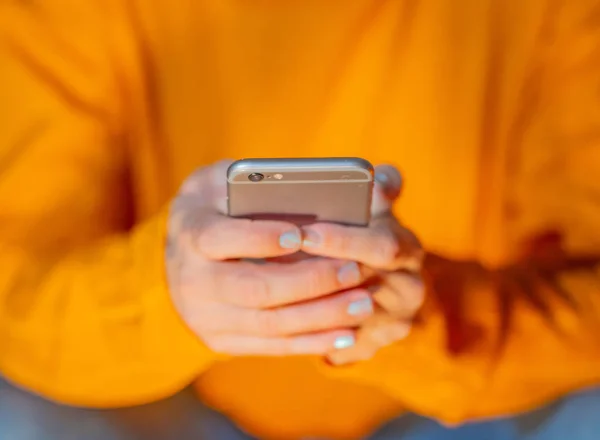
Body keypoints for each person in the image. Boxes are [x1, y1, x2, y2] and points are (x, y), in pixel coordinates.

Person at [0, 0, 599, 439]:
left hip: (480, 409)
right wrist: (163, 290)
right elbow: (17, 287)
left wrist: (427, 317)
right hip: (174, 403)